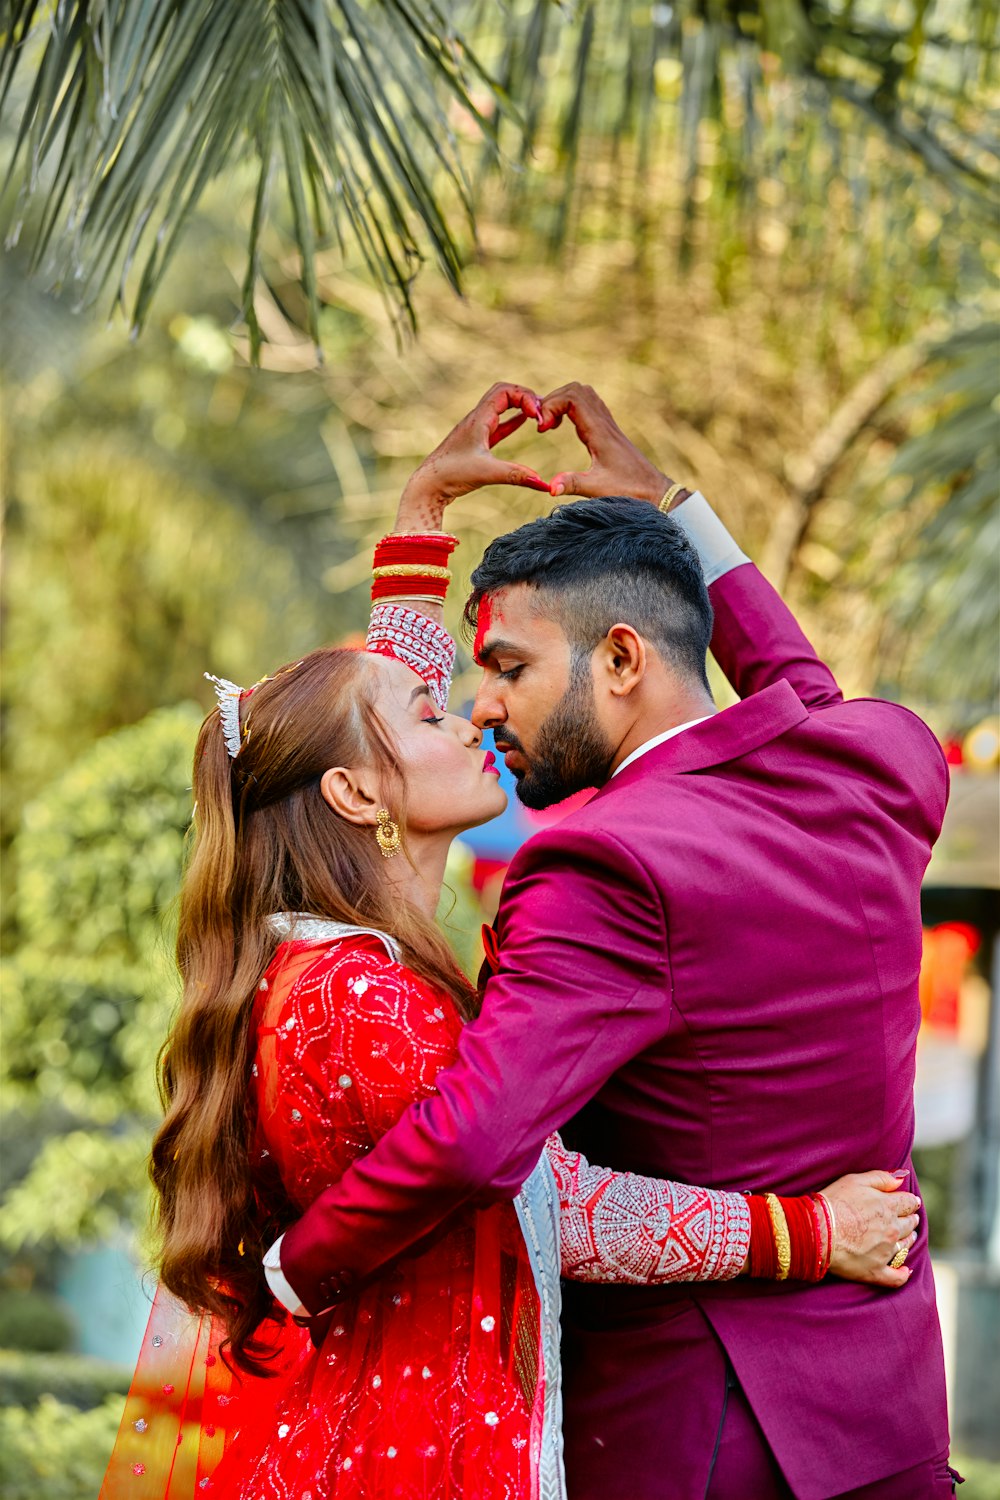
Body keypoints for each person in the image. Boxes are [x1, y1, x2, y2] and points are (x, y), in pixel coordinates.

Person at [100, 386, 917, 1500]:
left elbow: (375, 731)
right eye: (439, 702)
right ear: (355, 793)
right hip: (452, 1423)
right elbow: (543, 1197)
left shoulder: (545, 881)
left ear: (619, 659)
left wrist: (419, 523)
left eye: (499, 675)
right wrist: (804, 1233)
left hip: (661, 1425)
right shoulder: (874, 763)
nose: (472, 707)